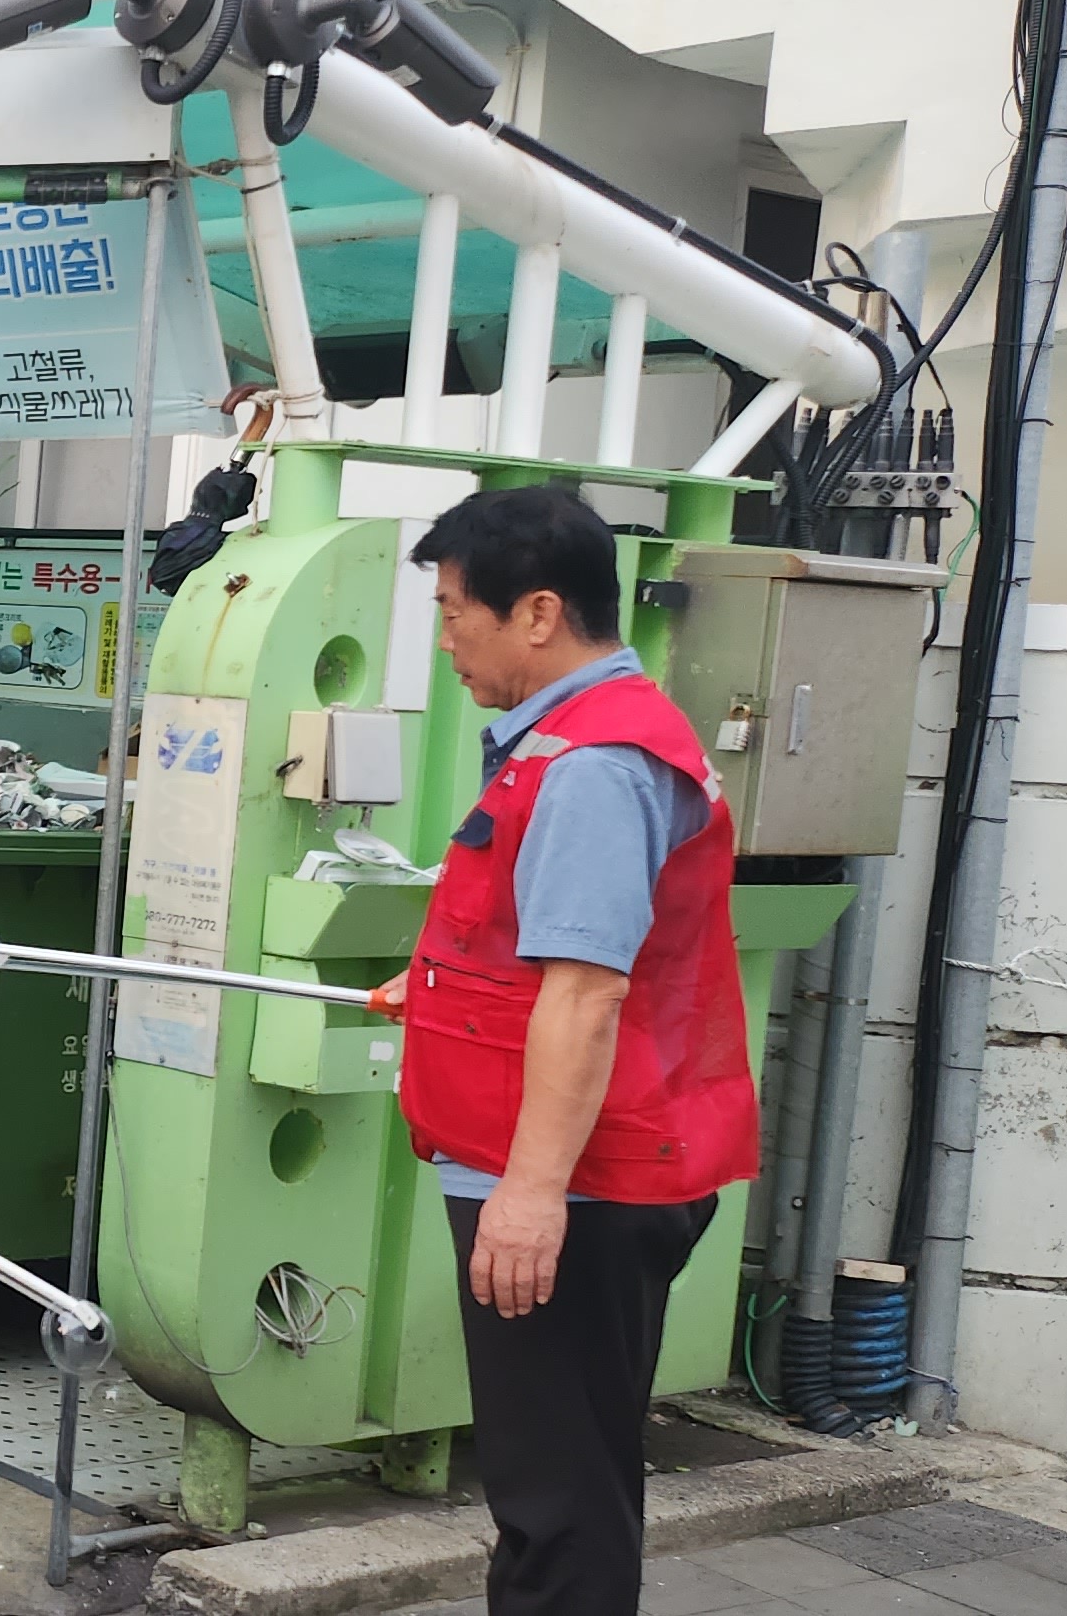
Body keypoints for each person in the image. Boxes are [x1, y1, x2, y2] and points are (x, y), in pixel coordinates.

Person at [370, 486, 750, 1616]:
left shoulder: (591, 764)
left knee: (558, 1504)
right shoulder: (577, 742)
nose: (446, 641)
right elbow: (547, 959)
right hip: (577, 1168)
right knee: (556, 1485)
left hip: (576, 1185)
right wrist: (435, 991)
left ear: (537, 613)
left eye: (452, 615)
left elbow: (586, 997)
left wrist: (530, 1197)